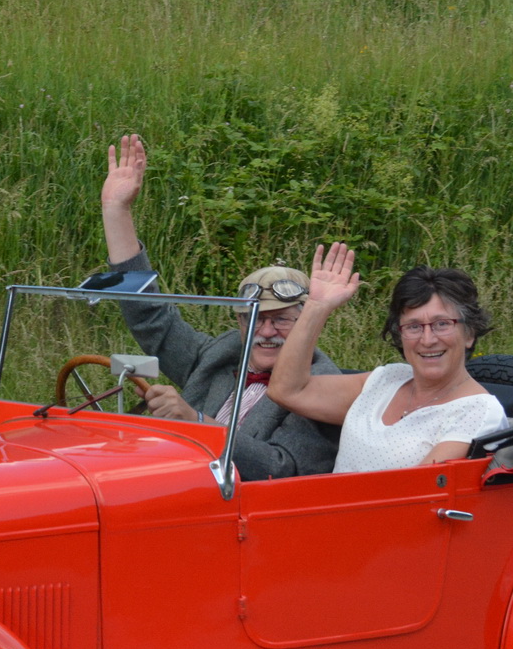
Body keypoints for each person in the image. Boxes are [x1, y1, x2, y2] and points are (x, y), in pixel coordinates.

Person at [99, 134, 340, 480]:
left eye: (282, 320)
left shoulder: (321, 387)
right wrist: (116, 211)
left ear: (309, 324)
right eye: (253, 319)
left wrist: (196, 423)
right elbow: (149, 316)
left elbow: (282, 468)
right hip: (171, 484)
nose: (266, 332)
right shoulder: (220, 356)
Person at [265, 243, 507, 472]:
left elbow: (418, 496)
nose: (427, 339)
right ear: (399, 335)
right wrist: (317, 307)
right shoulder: (386, 380)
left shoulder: (477, 411)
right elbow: (286, 390)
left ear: (469, 334)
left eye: (442, 324)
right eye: (413, 326)